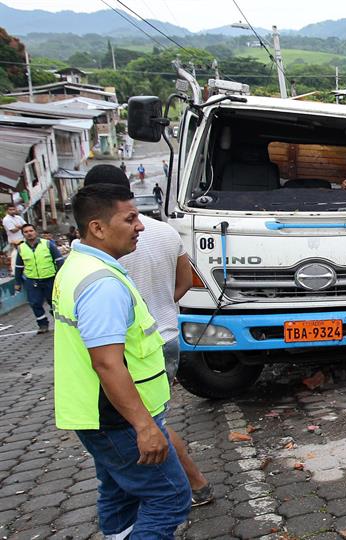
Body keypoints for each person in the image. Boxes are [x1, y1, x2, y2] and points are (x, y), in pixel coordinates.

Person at [52, 183, 191, 538]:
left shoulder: (77, 266)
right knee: (171, 496)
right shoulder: (101, 284)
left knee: (118, 492)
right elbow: (108, 363)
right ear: (97, 227)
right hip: (119, 418)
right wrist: (145, 427)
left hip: (97, 413)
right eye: (130, 219)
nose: (140, 226)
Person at [83, 164, 213, 507]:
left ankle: (193, 485)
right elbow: (185, 283)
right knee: (149, 420)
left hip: (128, 350)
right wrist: (158, 306)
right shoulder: (166, 232)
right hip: (167, 336)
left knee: (146, 425)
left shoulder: (99, 244)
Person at [14, 223, 64, 333]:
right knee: (35, 303)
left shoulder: (47, 244)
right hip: (32, 280)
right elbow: (19, 267)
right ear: (23, 234)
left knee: (54, 302)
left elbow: (59, 260)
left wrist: (61, 276)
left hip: (50, 278)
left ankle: (59, 323)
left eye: (31, 231)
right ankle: (42, 325)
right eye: (26, 232)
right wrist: (17, 282)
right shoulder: (21, 248)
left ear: (35, 232)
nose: (29, 233)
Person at [3, 205, 26, 273]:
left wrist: (18, 227)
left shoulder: (18, 217)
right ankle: (15, 272)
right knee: (15, 256)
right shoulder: (6, 219)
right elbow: (13, 230)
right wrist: (20, 227)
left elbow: (25, 226)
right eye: (10, 209)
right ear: (7, 210)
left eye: (13, 209)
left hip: (23, 239)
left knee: (24, 256)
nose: (12, 211)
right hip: (14, 242)